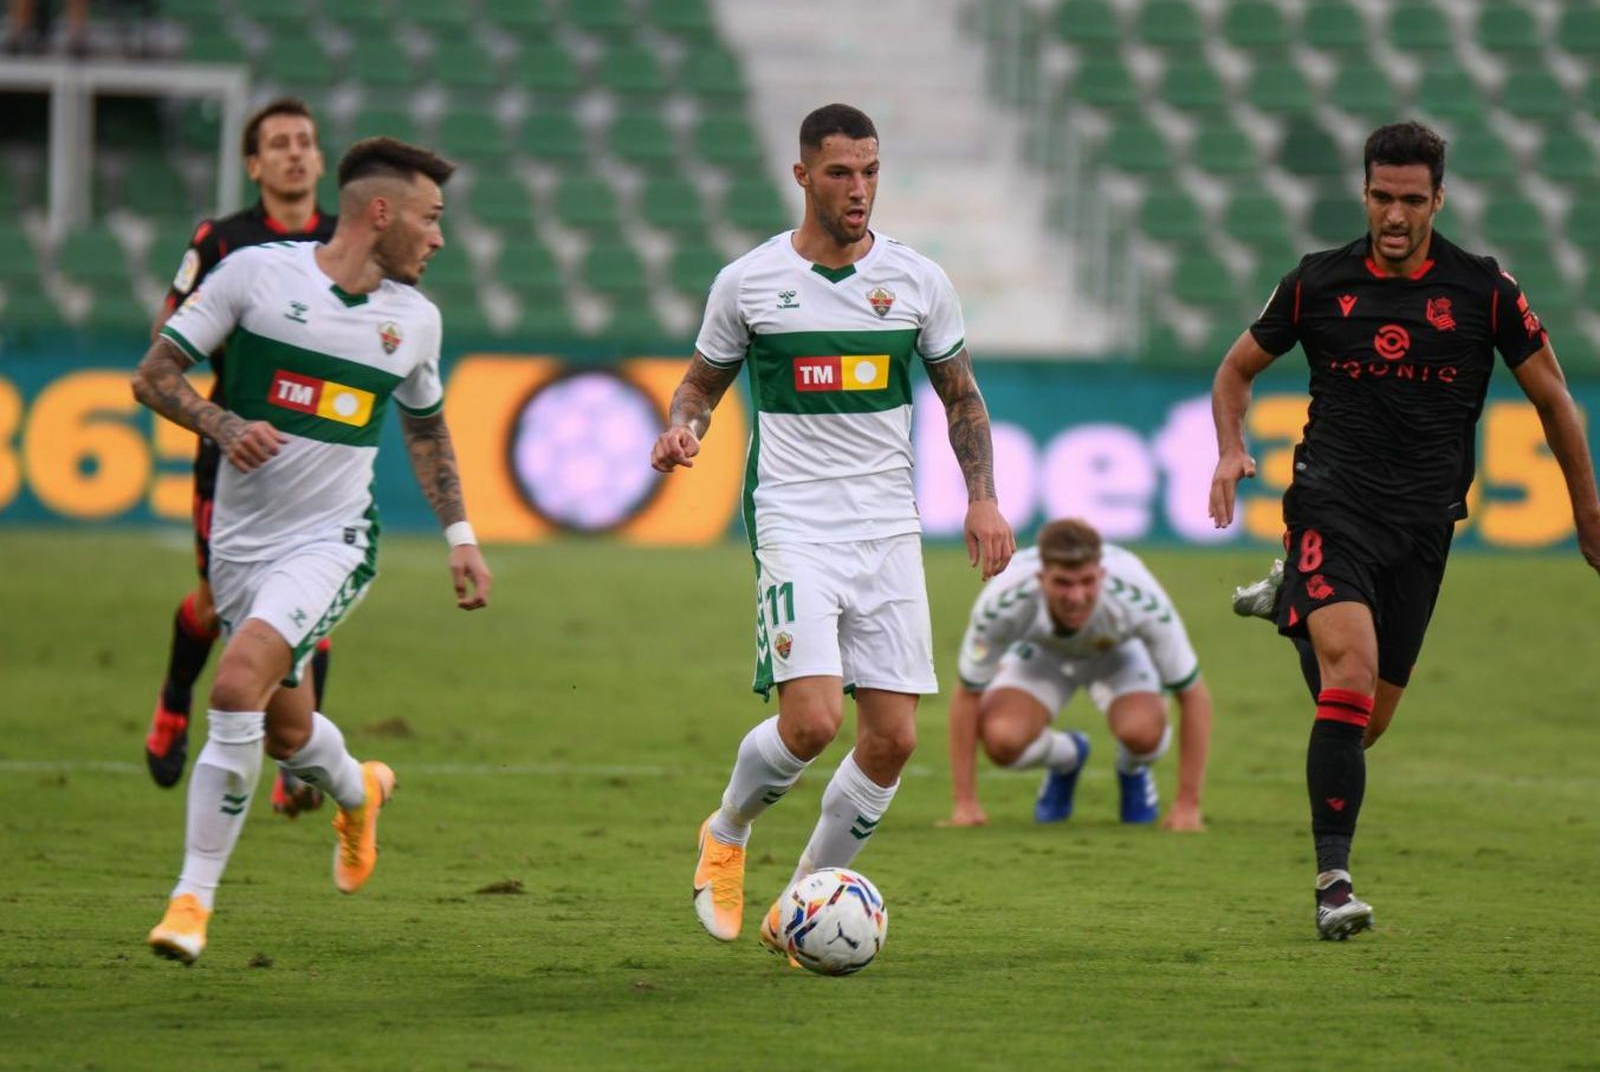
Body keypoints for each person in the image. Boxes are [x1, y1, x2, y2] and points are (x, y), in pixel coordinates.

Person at [1208, 122, 1600, 941]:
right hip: (1330, 505)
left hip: (1424, 526)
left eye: (1412, 200)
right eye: (1382, 196)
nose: (1395, 214)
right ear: (1364, 193)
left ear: (1439, 201)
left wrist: (1587, 512)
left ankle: (1293, 609)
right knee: (1350, 673)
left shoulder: (1484, 291)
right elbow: (1237, 369)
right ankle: (1333, 883)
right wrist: (1231, 449)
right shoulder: (1317, 283)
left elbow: (1555, 400)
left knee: (1362, 720)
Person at [650, 103, 1015, 960]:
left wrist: (983, 497)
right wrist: (684, 428)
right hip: (795, 521)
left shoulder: (917, 281)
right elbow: (699, 384)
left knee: (891, 739)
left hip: (888, 528)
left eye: (872, 171)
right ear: (804, 175)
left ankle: (800, 903)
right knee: (812, 722)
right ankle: (728, 830)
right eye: (843, 172)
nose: (860, 189)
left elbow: (962, 397)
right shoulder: (749, 282)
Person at [133, 136, 492, 964]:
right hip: (240, 543)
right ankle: (359, 788)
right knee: (285, 732)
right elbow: (154, 375)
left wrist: (460, 537)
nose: (439, 238)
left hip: (333, 541)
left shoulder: (415, 322)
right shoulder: (257, 276)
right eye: (430, 219)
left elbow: (427, 425)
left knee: (232, 686)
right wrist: (223, 423)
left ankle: (191, 902)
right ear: (381, 213)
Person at [142, 97, 341, 820]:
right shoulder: (222, 243)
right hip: (235, 457)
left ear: (320, 160)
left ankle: (296, 759)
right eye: (278, 144)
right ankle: (173, 699)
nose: (294, 153)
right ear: (254, 164)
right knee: (224, 608)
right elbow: (169, 339)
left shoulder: (345, 245)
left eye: (305, 142)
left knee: (308, 611)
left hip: (321, 461)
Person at [943, 518, 1212, 832]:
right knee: (1002, 740)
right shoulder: (1003, 601)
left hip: (1117, 653)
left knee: (1142, 733)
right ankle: (1067, 756)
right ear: (1041, 577)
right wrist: (965, 803)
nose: (1076, 596)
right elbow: (967, 693)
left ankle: (1133, 766)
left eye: (1087, 581)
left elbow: (1193, 693)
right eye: (1063, 583)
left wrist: (1187, 805)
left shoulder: (1141, 599)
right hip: (1042, 655)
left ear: (1102, 574)